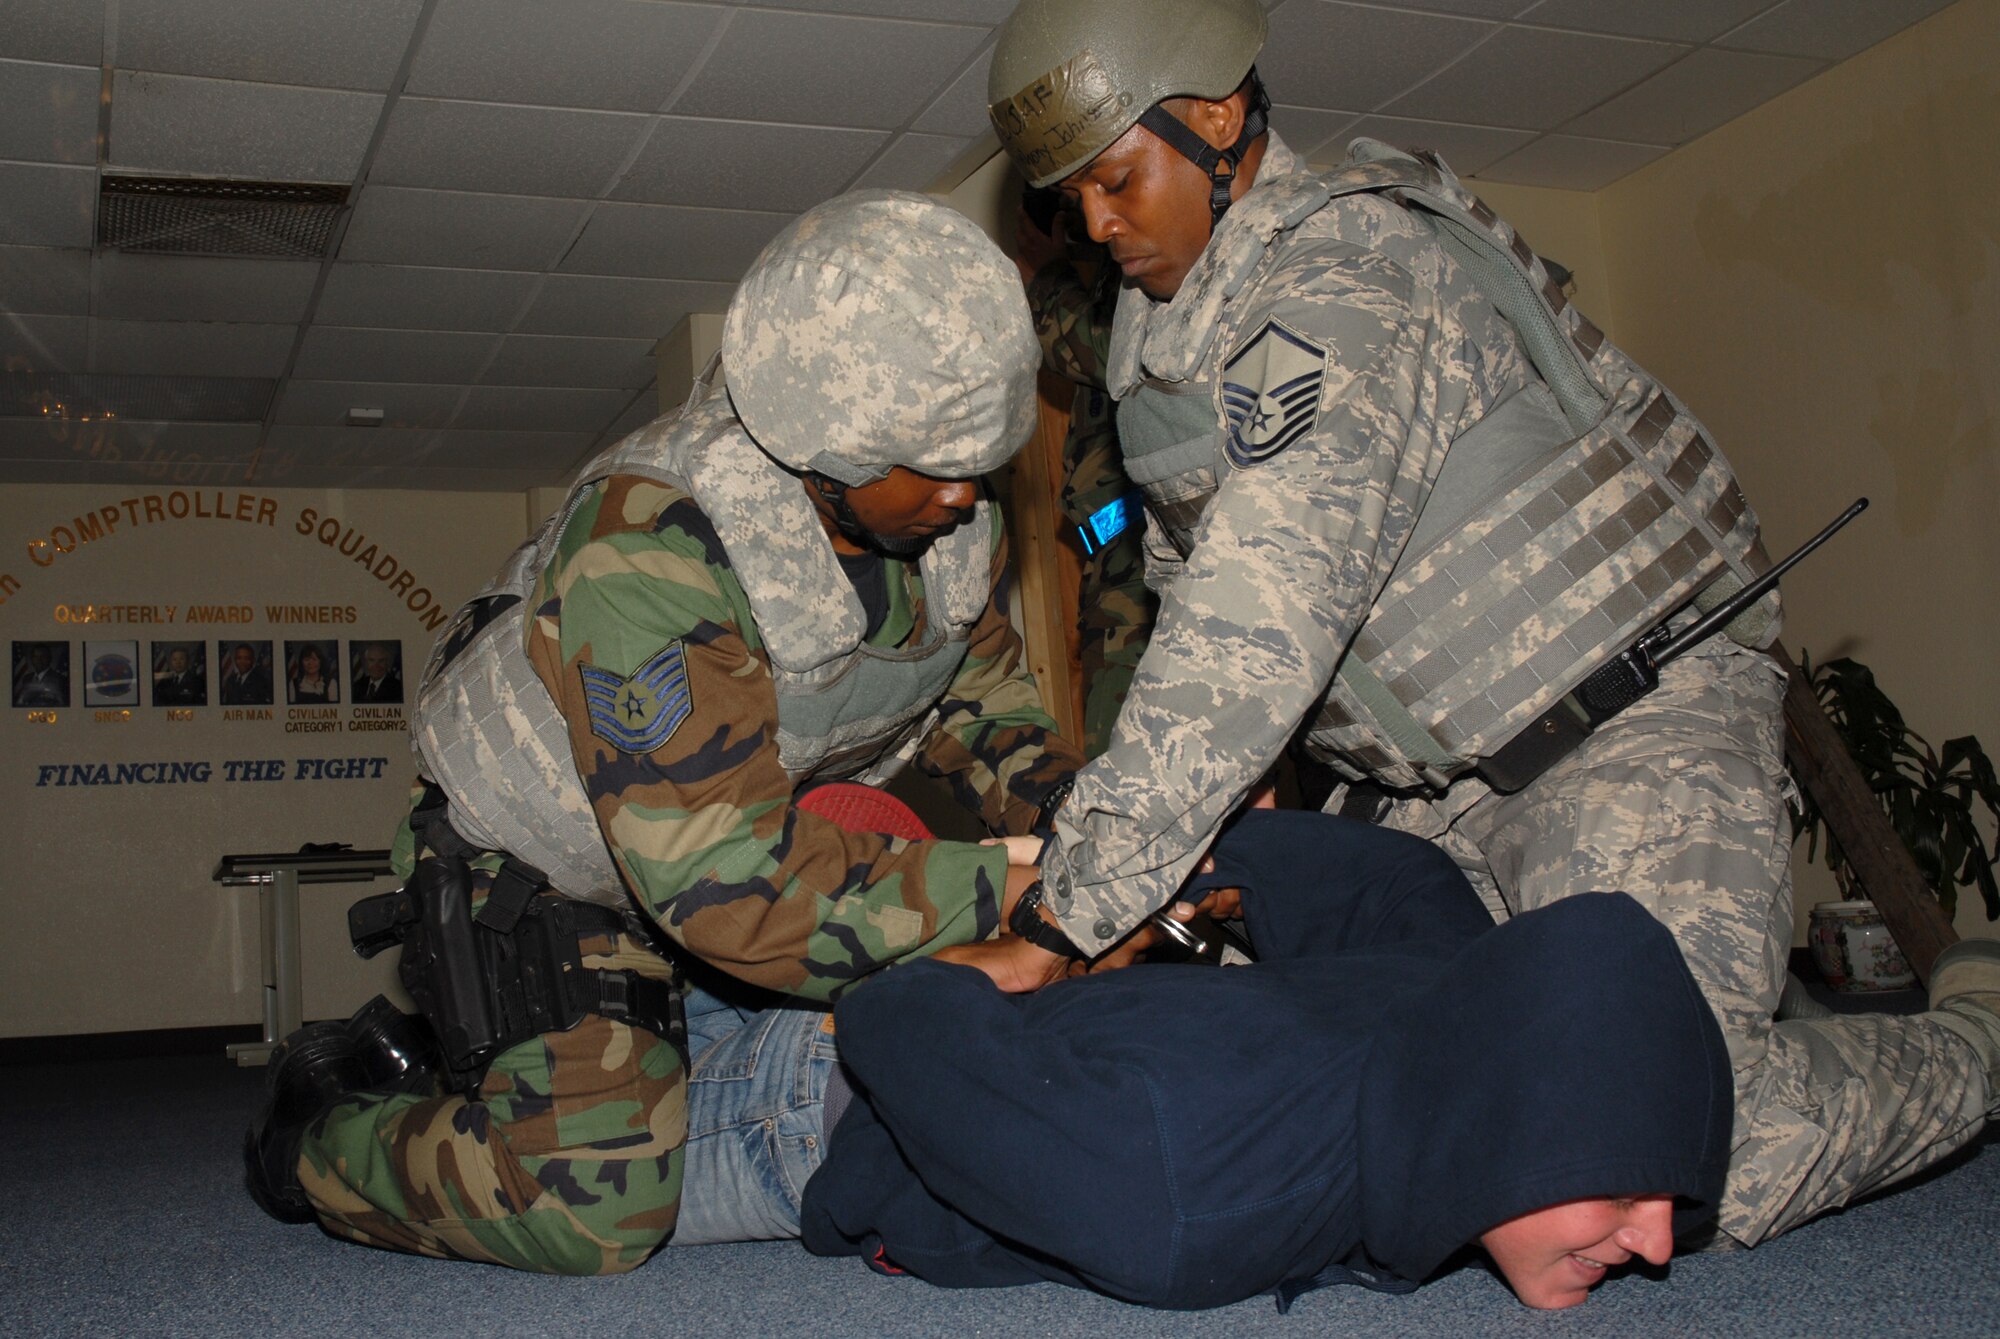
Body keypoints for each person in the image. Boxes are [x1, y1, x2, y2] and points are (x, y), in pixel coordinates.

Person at [977, 0, 2000, 1248]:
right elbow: (1197, 618)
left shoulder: (1353, 273)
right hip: (1428, 808)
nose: (1094, 223)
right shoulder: (1157, 362)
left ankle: (1980, 1037)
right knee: (1368, 1102)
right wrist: (1209, 836)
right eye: (1067, 198)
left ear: (1216, 118)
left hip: (1622, 731)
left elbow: (1262, 620)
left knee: (1677, 1138)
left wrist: (1058, 915)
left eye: (1114, 179)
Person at [242, 191, 1086, 1275]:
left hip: (736, 850)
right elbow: (729, 887)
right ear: (823, 440)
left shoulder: (939, 520)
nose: (967, 493)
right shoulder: (650, 541)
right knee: (597, 1212)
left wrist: (1084, 820)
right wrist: (1007, 886)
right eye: (932, 460)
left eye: (983, 455)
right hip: (543, 872)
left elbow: (982, 704)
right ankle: (319, 1130)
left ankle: (549, 1066)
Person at [802, 810, 1733, 1313]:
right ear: (1513, 1122)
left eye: (1664, 1203)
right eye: (1621, 1194)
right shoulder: (1183, 1201)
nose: (1654, 1246)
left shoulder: (1458, 988)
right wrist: (996, 956)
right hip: (823, 1102)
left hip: (1066, 1057)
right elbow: (891, 1018)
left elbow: (1409, 881)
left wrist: (1222, 865)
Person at [1012, 199, 1156, 757]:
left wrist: (1047, 276)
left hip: (1145, 570)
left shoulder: (1161, 290)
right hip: (1116, 565)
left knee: (1128, 766)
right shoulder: (1115, 289)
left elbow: (1106, 353)